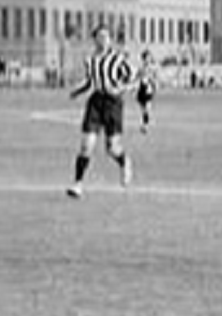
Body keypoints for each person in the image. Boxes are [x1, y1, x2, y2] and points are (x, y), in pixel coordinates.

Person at [66, 25, 134, 198]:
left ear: (110, 39)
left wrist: (120, 89)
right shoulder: (90, 60)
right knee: (86, 145)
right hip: (96, 102)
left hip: (113, 104)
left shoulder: (118, 59)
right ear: (94, 39)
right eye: (100, 36)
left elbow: (132, 76)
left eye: (106, 36)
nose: (103, 40)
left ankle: (124, 161)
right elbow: (90, 82)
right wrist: (77, 91)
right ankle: (78, 184)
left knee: (112, 148)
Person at [134, 50, 157, 133]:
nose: (148, 59)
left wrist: (154, 85)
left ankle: (145, 126)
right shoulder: (141, 68)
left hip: (148, 90)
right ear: (144, 59)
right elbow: (136, 78)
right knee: (143, 110)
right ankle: (144, 124)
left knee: (147, 109)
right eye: (147, 57)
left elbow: (154, 79)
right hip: (141, 90)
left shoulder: (152, 68)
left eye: (149, 57)